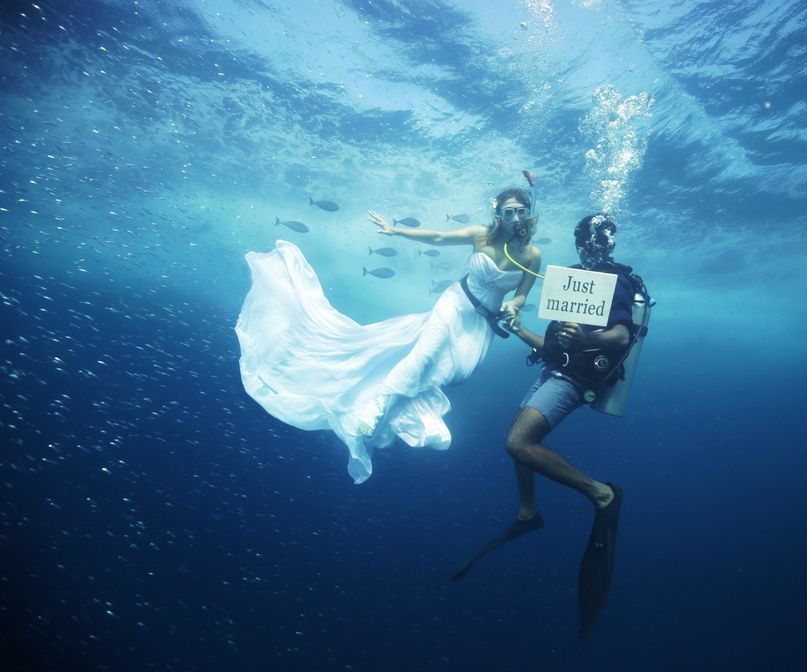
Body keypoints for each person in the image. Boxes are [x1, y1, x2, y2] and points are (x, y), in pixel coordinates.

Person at [235, 187, 542, 484]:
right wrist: (396, 231)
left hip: (481, 324)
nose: (515, 217)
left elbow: (521, 294)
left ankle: (402, 412)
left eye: (521, 211)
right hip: (454, 304)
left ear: (528, 213)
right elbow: (438, 237)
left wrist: (513, 306)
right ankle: (376, 407)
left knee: (451, 373)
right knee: (425, 354)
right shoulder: (481, 235)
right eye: (508, 211)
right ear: (498, 214)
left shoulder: (530, 254)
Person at [453, 213, 641, 638]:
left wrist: (587, 339)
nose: (592, 246)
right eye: (586, 239)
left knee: (519, 443)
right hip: (555, 371)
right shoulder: (572, 280)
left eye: (599, 239)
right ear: (579, 242)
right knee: (520, 438)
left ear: (608, 243)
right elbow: (555, 347)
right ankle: (528, 512)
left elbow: (619, 337)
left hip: (577, 380)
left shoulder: (617, 282)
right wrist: (520, 330)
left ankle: (602, 494)